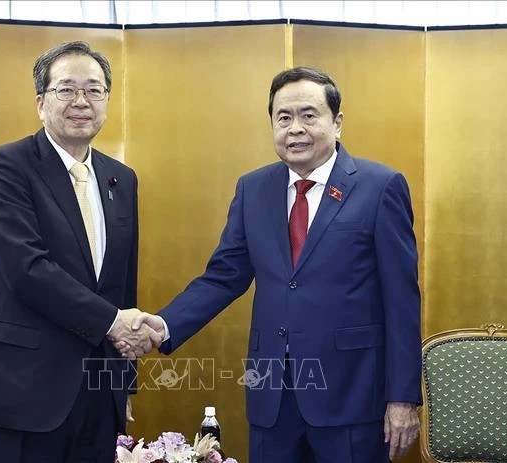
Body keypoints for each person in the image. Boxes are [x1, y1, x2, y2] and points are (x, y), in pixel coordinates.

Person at [128, 67, 422, 462]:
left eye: (309, 115)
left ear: (337, 122)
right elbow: (223, 276)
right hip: (271, 397)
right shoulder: (254, 189)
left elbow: (402, 302)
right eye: (283, 117)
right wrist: (163, 325)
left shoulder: (380, 186)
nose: (295, 128)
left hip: (351, 396)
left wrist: (402, 397)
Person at [0, 41, 161, 463]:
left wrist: (122, 385)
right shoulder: (6, 166)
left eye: (94, 90)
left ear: (107, 100)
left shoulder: (121, 178)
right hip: (18, 392)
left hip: (96, 398)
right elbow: (27, 270)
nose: (81, 101)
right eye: (66, 89)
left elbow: (121, 285)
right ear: (40, 103)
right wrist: (114, 324)